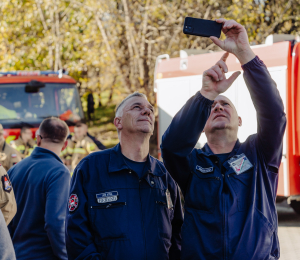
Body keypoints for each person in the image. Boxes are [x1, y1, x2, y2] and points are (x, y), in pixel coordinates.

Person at [161, 19, 286, 260]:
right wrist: (207, 94)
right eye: (212, 107)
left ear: (239, 120)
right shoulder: (192, 164)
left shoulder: (259, 154)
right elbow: (171, 146)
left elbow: (274, 113)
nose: (218, 107)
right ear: (202, 124)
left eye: (225, 103)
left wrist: (245, 54)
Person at [66, 92, 183, 260]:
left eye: (150, 109)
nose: (146, 111)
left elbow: (177, 234)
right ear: (118, 122)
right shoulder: (91, 169)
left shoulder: (164, 174)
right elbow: (76, 235)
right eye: (137, 107)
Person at [8, 117, 71, 260]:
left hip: (15, 254)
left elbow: (5, 218)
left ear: (38, 139)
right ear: (65, 144)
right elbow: (55, 223)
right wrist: (65, 256)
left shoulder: (14, 170)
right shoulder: (59, 173)